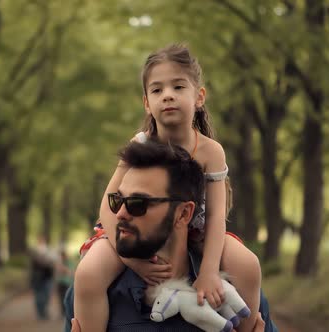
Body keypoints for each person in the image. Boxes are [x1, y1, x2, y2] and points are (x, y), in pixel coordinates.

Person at [74, 44, 263, 332]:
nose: (168, 96)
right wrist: (131, 260)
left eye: (178, 86)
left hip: (197, 232)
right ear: (147, 103)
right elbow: (109, 206)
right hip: (132, 229)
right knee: (88, 272)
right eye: (157, 90)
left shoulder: (211, 151)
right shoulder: (140, 144)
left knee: (247, 264)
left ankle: (248, 326)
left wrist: (209, 272)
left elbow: (215, 217)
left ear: (199, 97)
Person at [65, 141, 276, 331]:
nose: (120, 213)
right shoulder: (92, 290)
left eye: (138, 203)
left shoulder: (237, 293)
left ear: (184, 213)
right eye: (117, 201)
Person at [28, 236, 55, 320]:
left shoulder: (49, 251)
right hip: (38, 279)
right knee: (39, 297)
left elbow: (52, 262)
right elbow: (36, 264)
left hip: (47, 277)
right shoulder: (35, 252)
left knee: (46, 296)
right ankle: (40, 313)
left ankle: (44, 312)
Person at [56, 249, 75, 317]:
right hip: (60, 282)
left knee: (66, 298)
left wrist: (64, 269)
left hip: (67, 283)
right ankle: (62, 312)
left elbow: (71, 272)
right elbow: (57, 272)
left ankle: (67, 312)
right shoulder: (59, 263)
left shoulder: (69, 262)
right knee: (60, 298)